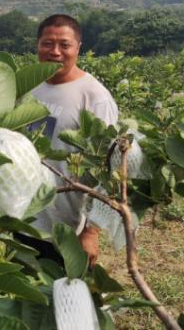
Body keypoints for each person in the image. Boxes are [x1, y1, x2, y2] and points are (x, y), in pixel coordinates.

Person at [28, 14, 118, 266]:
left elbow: (108, 168)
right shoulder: (30, 85)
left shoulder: (94, 97)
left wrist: (91, 231)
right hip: (24, 218)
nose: (55, 51)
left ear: (78, 47)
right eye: (47, 43)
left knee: (63, 288)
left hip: (67, 227)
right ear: (37, 45)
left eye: (64, 45)